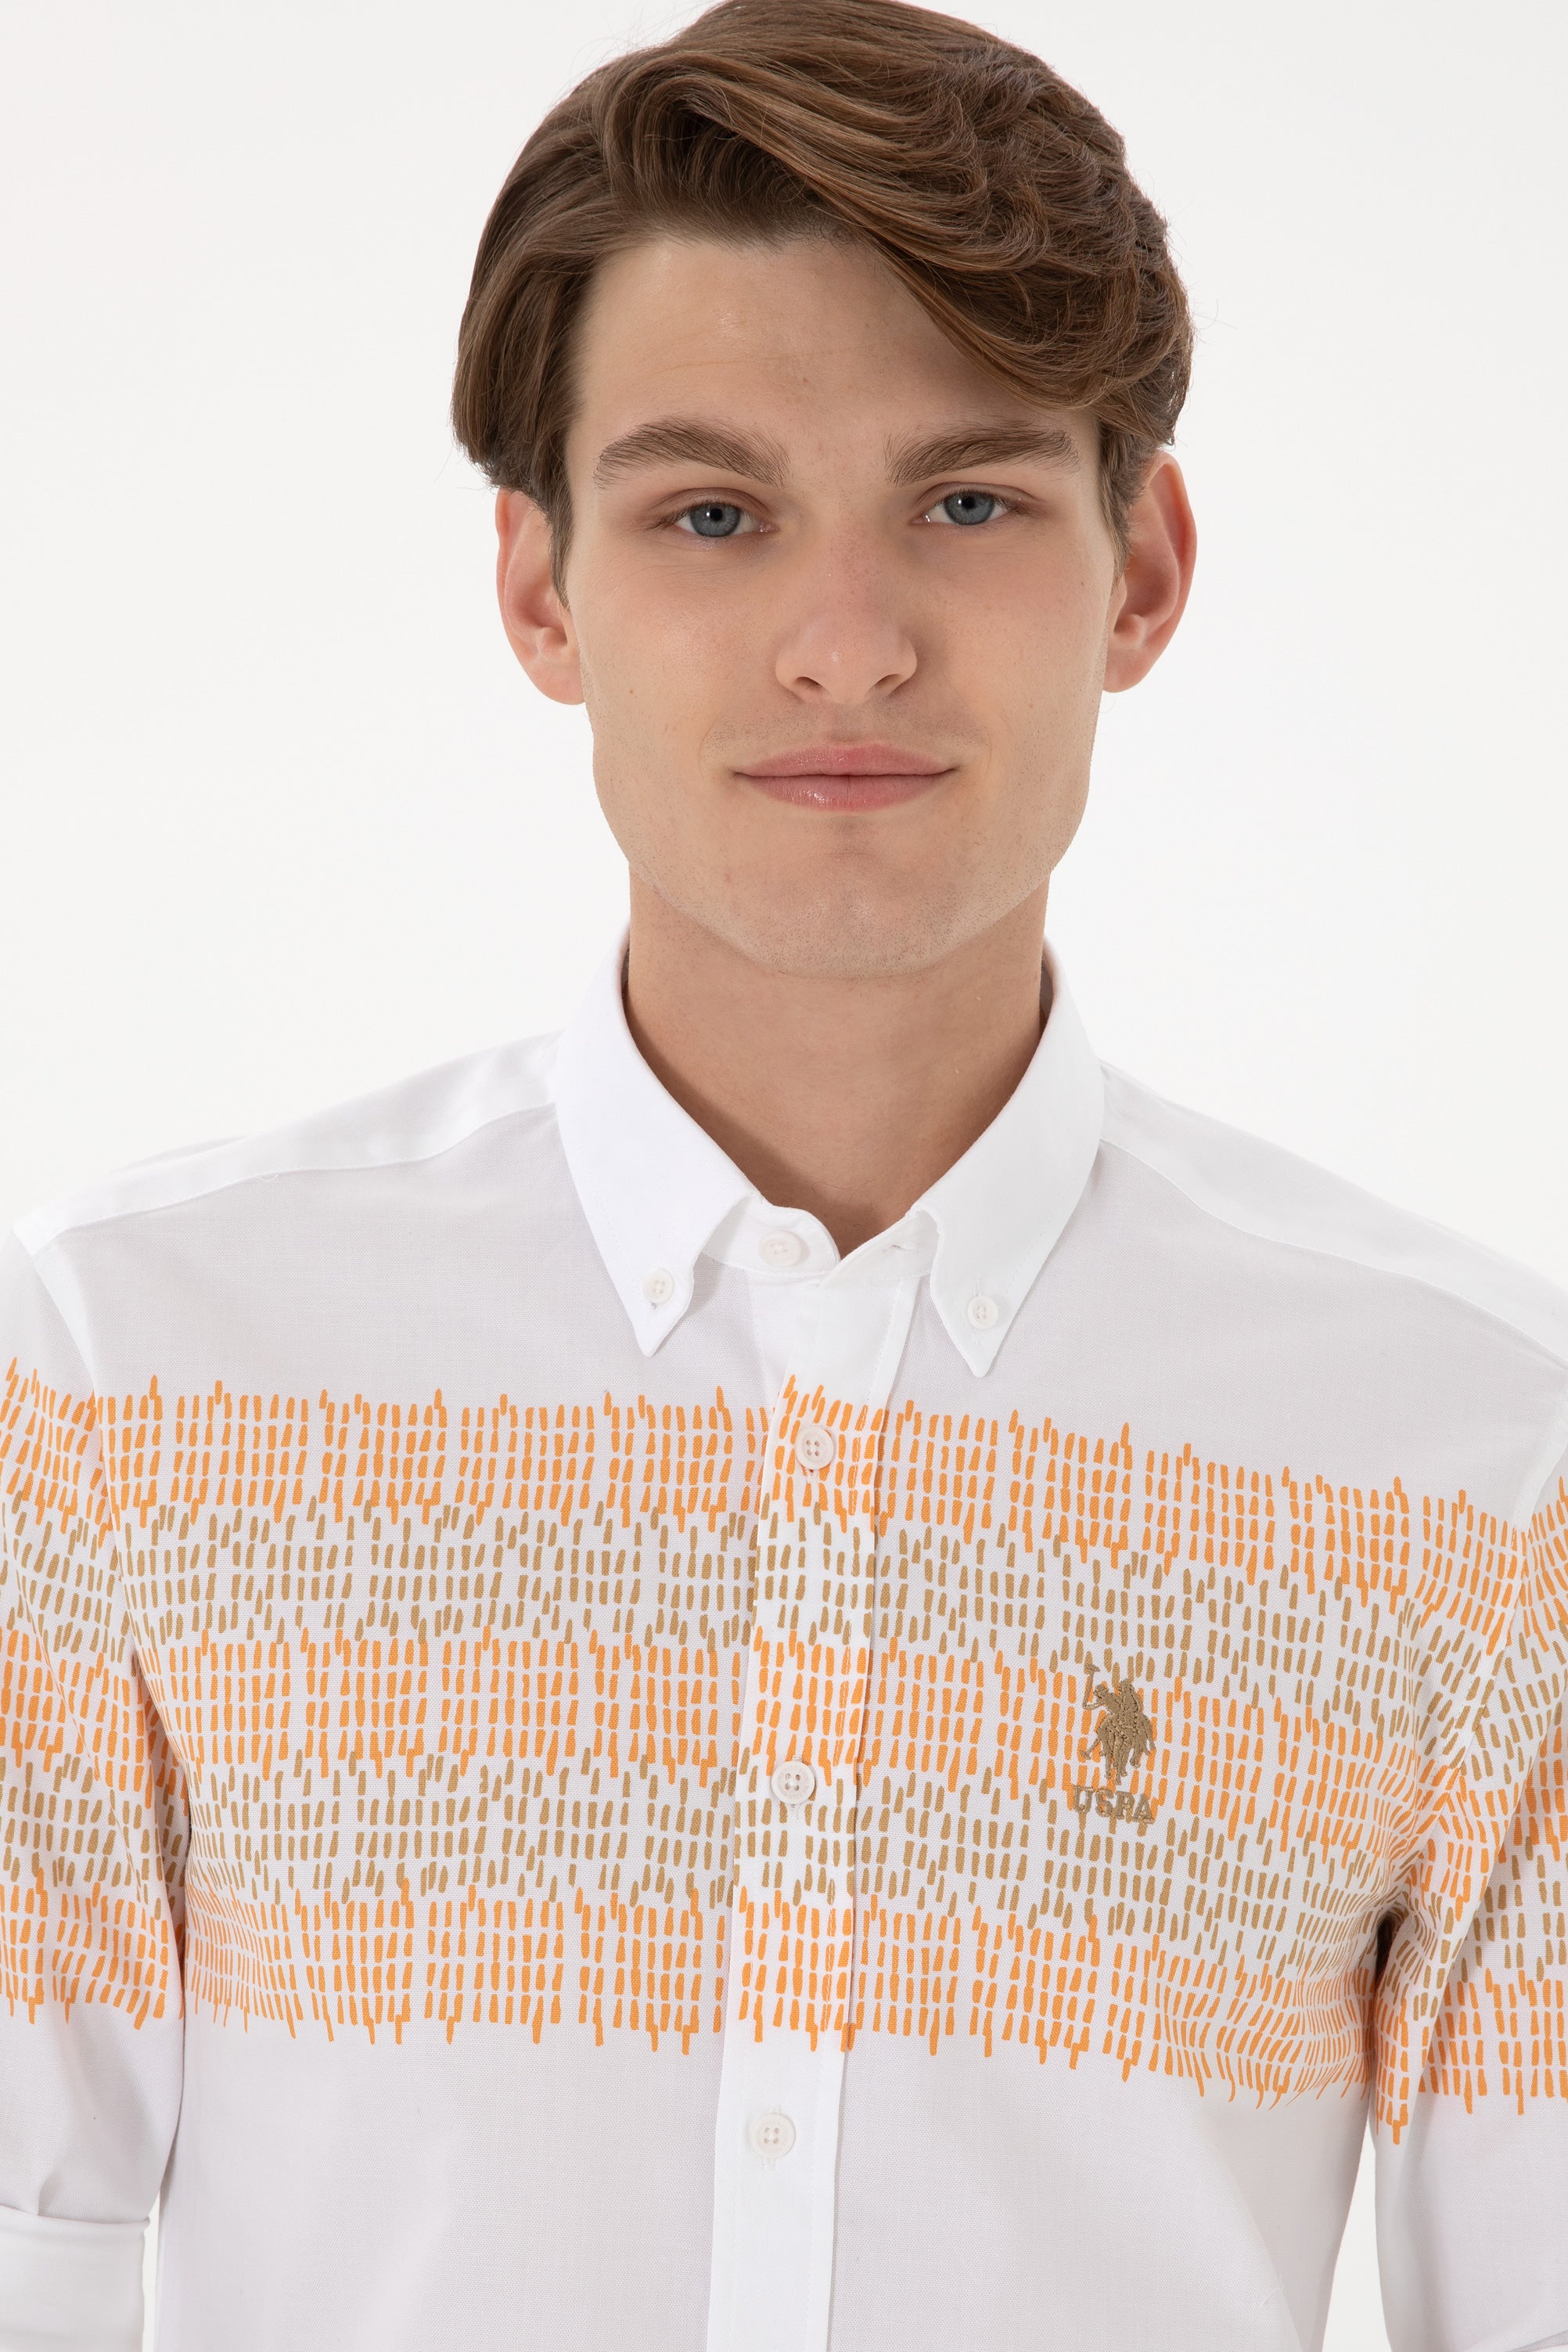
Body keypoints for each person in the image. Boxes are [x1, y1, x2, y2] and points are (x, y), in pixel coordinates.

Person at [2, 1, 1564, 2346]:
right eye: (712, 515)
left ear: (1141, 572)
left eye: (967, 502)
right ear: (541, 590)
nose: (847, 648)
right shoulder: (130, 1380)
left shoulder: (1474, 1461)